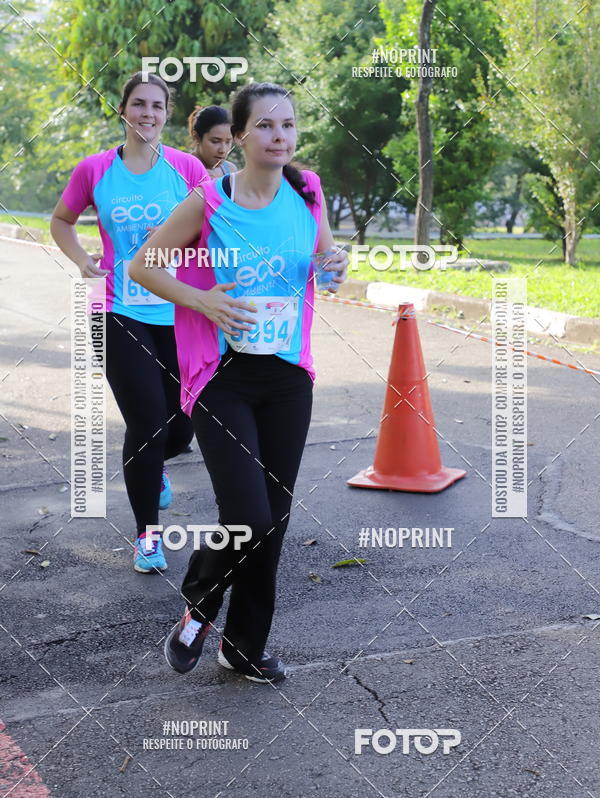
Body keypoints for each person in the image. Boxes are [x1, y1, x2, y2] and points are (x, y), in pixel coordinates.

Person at [129, 81, 348, 683]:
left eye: (290, 126)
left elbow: (326, 265)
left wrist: (335, 268)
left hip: (287, 379)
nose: (281, 136)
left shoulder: (307, 191)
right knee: (247, 515)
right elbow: (142, 263)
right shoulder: (212, 198)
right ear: (243, 136)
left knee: (272, 521)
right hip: (222, 377)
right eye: (269, 126)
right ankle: (199, 609)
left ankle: (244, 647)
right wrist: (203, 300)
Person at [51, 72, 209, 574]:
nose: (147, 113)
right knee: (145, 424)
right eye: (138, 104)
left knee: (180, 429)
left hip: (180, 310)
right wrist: (80, 260)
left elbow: (218, 224)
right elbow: (61, 219)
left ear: (167, 114)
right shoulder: (95, 170)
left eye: (157, 106)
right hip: (118, 312)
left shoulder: (186, 167)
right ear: (123, 110)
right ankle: (147, 537)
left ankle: (158, 463)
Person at [188, 105, 236, 178]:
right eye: (215, 141)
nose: (223, 150)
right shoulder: (182, 169)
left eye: (228, 142)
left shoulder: (230, 170)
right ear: (197, 137)